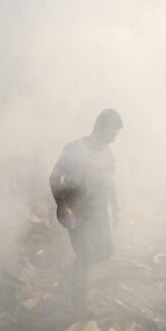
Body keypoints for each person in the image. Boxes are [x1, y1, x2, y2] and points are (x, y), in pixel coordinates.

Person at [49, 109, 123, 313]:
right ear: (99, 126)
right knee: (84, 255)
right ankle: (78, 306)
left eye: (116, 135)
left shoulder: (107, 151)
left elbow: (110, 181)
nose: (114, 139)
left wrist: (116, 208)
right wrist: (62, 207)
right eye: (112, 134)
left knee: (107, 251)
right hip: (76, 212)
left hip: (99, 213)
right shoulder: (75, 149)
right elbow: (54, 178)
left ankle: (73, 273)